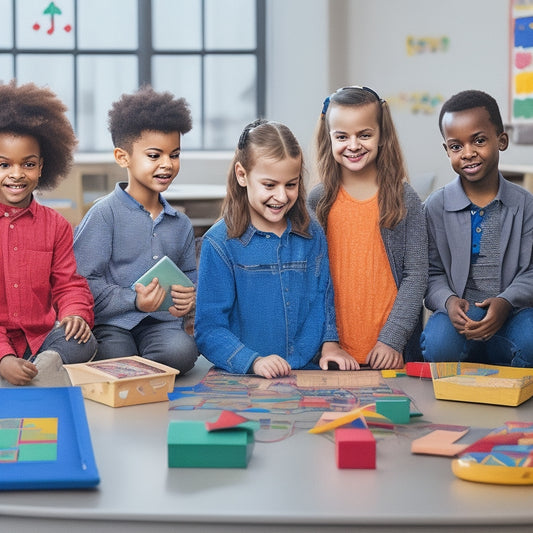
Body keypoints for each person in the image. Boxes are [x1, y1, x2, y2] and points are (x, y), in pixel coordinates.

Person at [194, 119, 357, 378]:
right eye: (270, 185)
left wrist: (331, 346)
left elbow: (323, 299)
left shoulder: (311, 232)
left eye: (291, 185)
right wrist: (253, 361)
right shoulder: (218, 243)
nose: (281, 197)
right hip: (246, 376)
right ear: (242, 175)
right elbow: (209, 329)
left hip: (306, 371)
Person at [73, 86, 198, 374]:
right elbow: (82, 281)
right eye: (154, 155)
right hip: (113, 323)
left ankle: (139, 364)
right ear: (123, 157)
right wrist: (133, 300)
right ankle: (131, 363)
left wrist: (187, 298)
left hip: (160, 323)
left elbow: (189, 275)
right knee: (114, 354)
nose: (167, 164)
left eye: (174, 154)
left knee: (183, 352)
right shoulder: (104, 215)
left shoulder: (180, 223)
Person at [309, 85, 428, 370]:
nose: (353, 145)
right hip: (332, 352)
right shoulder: (318, 200)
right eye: (342, 136)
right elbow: (313, 279)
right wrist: (329, 341)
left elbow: (416, 275)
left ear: (381, 135)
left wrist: (393, 339)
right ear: (329, 138)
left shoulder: (403, 198)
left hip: (389, 352)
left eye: (364, 134)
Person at [421, 89, 533, 367]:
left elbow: (531, 271)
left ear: (501, 140)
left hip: (512, 315)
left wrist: (506, 302)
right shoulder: (435, 207)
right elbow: (431, 272)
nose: (468, 153)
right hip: (458, 319)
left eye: (479, 140)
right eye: (456, 146)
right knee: (439, 343)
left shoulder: (525, 204)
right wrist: (448, 302)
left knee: (530, 339)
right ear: (447, 150)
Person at [0, 81, 97, 386]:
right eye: (4, 164)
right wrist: (3, 357)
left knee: (85, 340)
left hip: (40, 339)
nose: (17, 174)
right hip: (1, 340)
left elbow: (69, 284)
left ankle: (42, 366)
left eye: (28, 164)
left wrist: (75, 314)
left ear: (42, 167)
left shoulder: (55, 225)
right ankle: (25, 371)